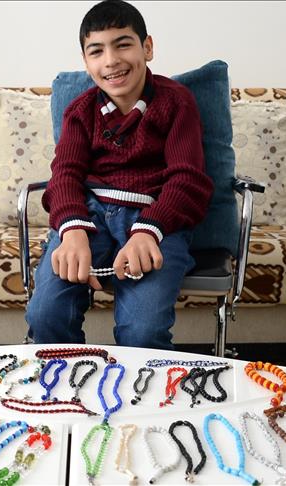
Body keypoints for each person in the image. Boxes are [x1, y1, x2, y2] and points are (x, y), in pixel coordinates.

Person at [25, 0, 213, 350]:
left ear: (147, 48)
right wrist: (73, 230)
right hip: (90, 216)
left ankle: (143, 384)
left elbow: (187, 179)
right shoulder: (80, 112)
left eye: (123, 44)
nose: (110, 60)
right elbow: (64, 175)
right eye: (97, 51)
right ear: (86, 61)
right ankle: (69, 377)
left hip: (155, 219)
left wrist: (148, 231)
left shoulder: (177, 103)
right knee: (46, 314)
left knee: (143, 332)